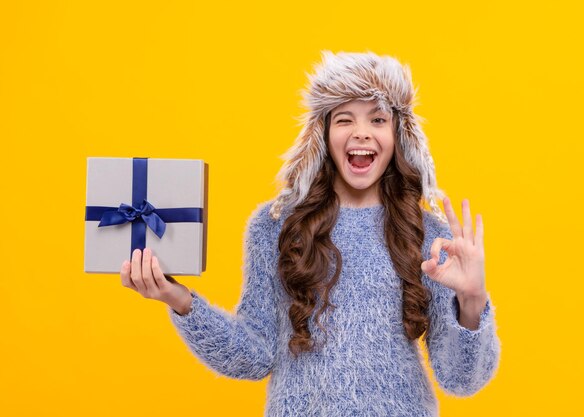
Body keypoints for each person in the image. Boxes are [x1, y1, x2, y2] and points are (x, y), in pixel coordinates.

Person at [120, 50, 501, 416]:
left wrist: (472, 300)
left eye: (378, 119)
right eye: (344, 119)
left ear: (399, 135)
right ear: (323, 134)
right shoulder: (275, 226)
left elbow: (459, 380)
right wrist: (180, 300)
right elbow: (254, 355)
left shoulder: (426, 234)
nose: (362, 133)